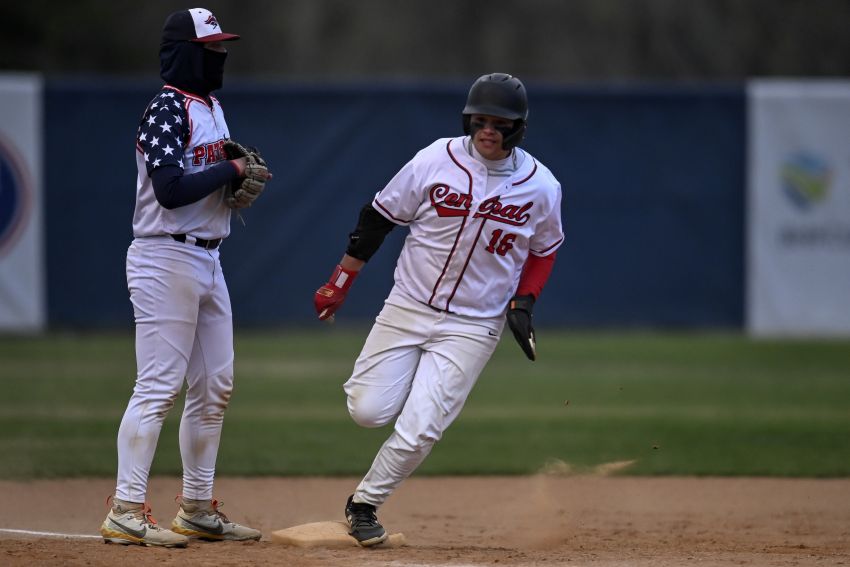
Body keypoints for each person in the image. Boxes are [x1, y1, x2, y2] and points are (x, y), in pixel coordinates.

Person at [313, 73, 564, 546]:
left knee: (422, 427)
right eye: (480, 120)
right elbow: (379, 218)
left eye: (500, 123)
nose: (488, 130)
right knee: (367, 411)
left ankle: (364, 504)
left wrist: (525, 302)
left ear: (518, 128)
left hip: (474, 323)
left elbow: (545, 248)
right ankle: (404, 399)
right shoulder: (435, 158)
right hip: (408, 305)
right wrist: (340, 281)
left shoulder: (541, 186)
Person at [100, 8, 270, 548]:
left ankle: (196, 507)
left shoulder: (212, 108)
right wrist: (231, 170)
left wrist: (228, 173)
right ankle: (125, 509)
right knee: (156, 387)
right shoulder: (166, 108)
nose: (220, 55)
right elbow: (170, 189)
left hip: (208, 258)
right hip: (163, 257)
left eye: (222, 46)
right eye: (211, 47)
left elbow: (211, 178)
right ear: (186, 52)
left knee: (215, 386)